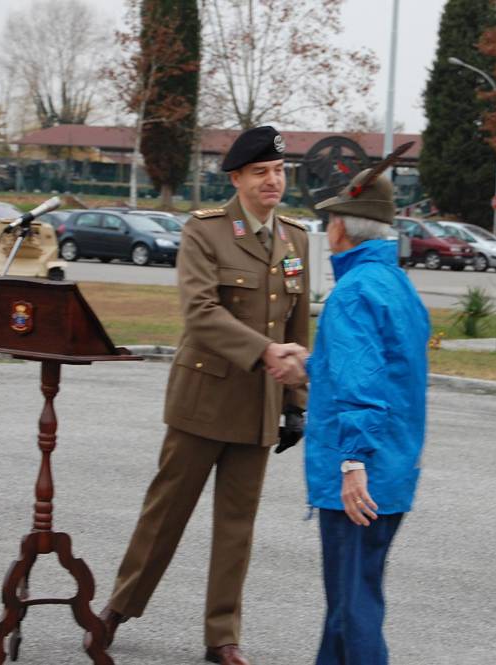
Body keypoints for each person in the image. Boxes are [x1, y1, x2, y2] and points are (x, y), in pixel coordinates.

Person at [91, 125, 310, 665]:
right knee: (165, 515)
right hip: (203, 401)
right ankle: (117, 609)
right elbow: (201, 314)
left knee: (237, 528)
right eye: (261, 172)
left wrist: (297, 405)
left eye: (279, 171)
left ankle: (222, 637)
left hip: (259, 407)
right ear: (236, 178)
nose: (272, 181)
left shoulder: (295, 239)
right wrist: (265, 352)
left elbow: (298, 327)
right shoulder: (205, 232)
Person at [302, 164, 430, 665]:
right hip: (393, 468)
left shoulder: (352, 293)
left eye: (330, 220)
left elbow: (363, 387)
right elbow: (382, 369)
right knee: (349, 603)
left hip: (360, 478)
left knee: (354, 609)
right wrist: (309, 365)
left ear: (341, 228)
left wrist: (353, 465)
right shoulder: (396, 284)